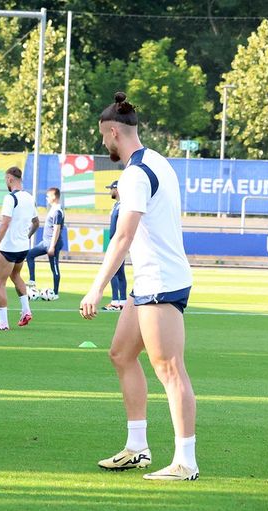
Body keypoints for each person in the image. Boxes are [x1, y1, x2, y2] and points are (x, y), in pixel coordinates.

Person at [81, 92, 198, 481]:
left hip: (160, 283)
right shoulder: (156, 161)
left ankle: (186, 462)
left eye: (104, 137)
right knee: (121, 354)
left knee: (170, 370)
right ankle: (137, 448)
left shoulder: (134, 174)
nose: (104, 144)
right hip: (150, 280)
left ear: (114, 132)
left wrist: (96, 288)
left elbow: (123, 236)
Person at [0, 167, 39, 329]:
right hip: (22, 248)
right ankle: (26, 310)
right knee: (16, 275)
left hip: (9, 247)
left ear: (10, 179)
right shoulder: (29, 197)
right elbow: (36, 223)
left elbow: (5, 223)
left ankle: (3, 322)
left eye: (6, 180)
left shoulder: (10, 198)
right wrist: (26, 237)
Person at [26, 187, 64, 300]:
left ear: (54, 197)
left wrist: (52, 246)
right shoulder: (53, 209)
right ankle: (32, 280)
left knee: (54, 267)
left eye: (48, 196)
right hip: (45, 243)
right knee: (29, 254)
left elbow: (57, 229)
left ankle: (55, 293)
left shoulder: (57, 211)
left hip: (53, 244)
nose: (47, 198)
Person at [103, 180, 127, 311]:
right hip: (115, 242)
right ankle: (121, 301)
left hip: (117, 243)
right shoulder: (117, 205)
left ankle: (115, 301)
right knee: (119, 272)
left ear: (117, 189)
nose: (110, 192)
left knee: (113, 271)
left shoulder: (123, 205)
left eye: (111, 189)